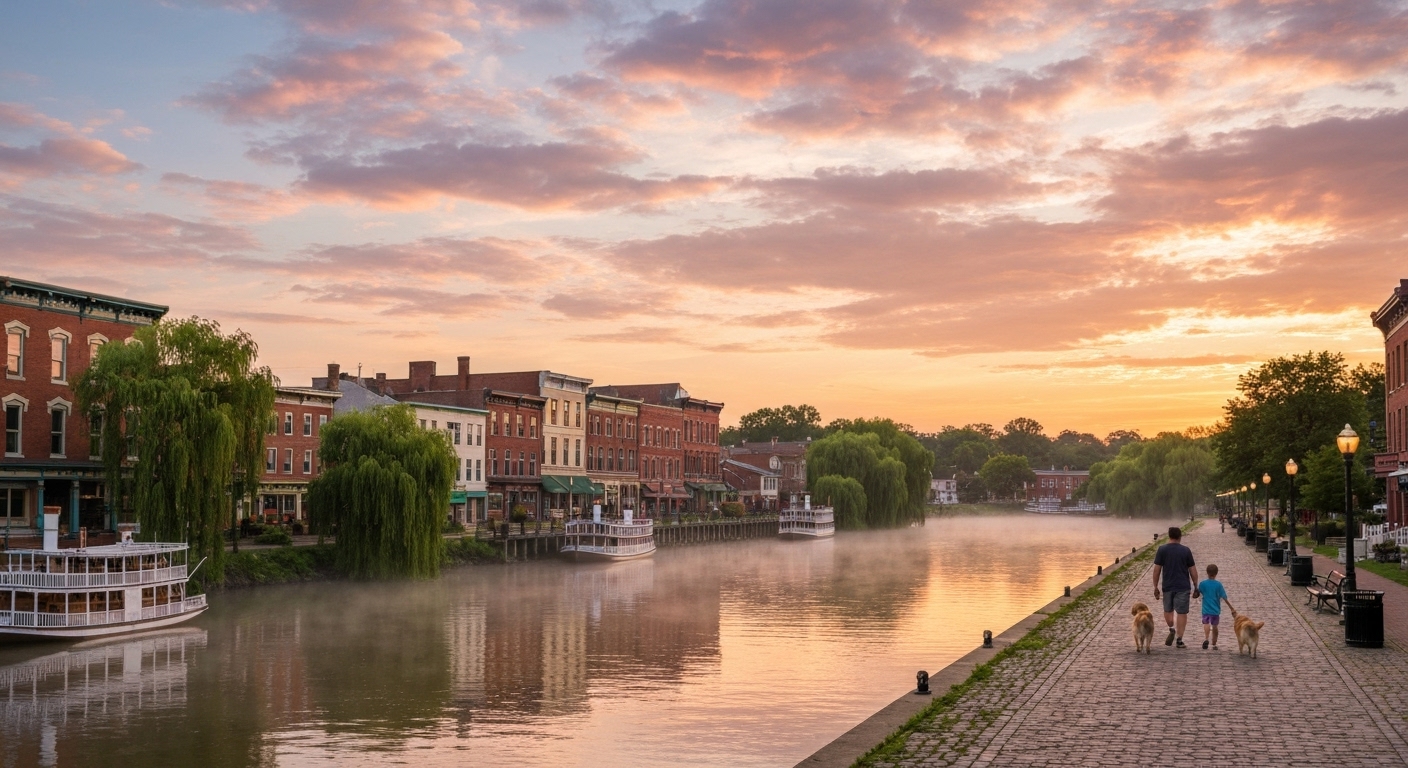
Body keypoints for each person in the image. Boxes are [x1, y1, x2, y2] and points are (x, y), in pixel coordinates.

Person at [1152, 526, 1200, 649]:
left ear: (1169, 536)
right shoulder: (1186, 551)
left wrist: (1155, 586)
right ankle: (1179, 639)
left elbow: (1157, 570)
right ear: (1180, 537)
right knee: (1182, 612)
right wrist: (1195, 585)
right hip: (1183, 586)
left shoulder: (1162, 550)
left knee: (1168, 611)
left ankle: (1171, 628)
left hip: (1167, 586)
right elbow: (1192, 570)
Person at [1197, 564, 1234, 650]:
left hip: (1205, 609)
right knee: (1215, 626)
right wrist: (1231, 607)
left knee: (1206, 623)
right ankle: (1214, 642)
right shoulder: (1218, 585)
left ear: (1207, 573)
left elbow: (1198, 592)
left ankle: (1206, 638)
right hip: (1215, 610)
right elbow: (1224, 597)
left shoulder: (1203, 584)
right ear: (1216, 573)